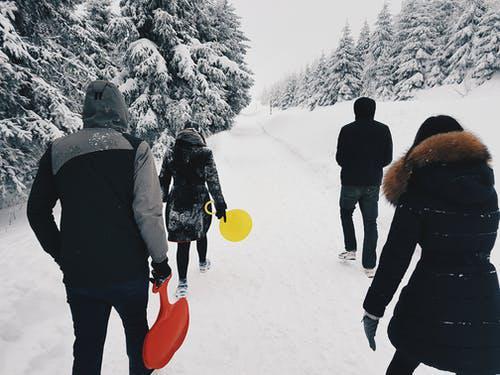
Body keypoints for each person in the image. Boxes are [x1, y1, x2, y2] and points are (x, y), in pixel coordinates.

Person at [27, 80, 171, 375]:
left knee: (88, 348)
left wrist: (63, 253)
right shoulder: (136, 149)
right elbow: (148, 211)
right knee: (139, 345)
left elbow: (36, 211)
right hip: (128, 272)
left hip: (81, 274)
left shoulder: (58, 150)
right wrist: (160, 260)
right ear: (120, 111)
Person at [362, 116, 500, 375]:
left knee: (405, 359)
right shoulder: (487, 191)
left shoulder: (418, 192)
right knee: (475, 362)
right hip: (482, 298)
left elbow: (396, 257)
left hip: (430, 296)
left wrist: (373, 308)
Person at [159, 127, 227, 298]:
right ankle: (203, 263)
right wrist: (220, 204)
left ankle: (182, 283)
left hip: (178, 201)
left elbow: (163, 179)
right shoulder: (205, 154)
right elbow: (213, 180)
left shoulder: (170, 153)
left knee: (183, 242)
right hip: (200, 201)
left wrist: (163, 197)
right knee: (202, 232)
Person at [336, 97, 393, 277]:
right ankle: (369, 266)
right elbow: (387, 159)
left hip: (350, 182)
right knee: (370, 222)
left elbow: (340, 159)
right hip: (372, 182)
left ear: (355, 110)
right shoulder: (383, 130)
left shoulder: (346, 130)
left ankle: (351, 248)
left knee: (346, 212)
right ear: (373, 110)